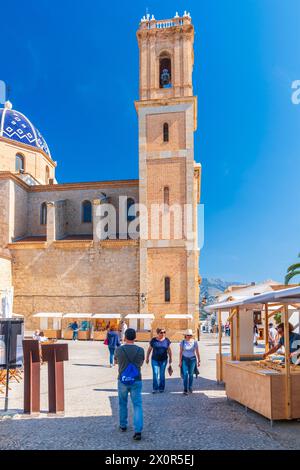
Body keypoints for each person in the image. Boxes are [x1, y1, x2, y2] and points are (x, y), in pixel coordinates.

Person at [114, 328, 145, 441]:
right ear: (135, 337)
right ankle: (138, 430)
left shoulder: (119, 350)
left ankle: (123, 425)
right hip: (136, 379)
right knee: (137, 405)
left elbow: (116, 362)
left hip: (122, 379)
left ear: (125, 337)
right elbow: (141, 363)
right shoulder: (140, 350)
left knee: (122, 403)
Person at [146, 328, 172, 393]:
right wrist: (147, 358)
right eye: (161, 332)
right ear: (158, 333)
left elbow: (169, 350)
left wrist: (171, 358)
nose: (163, 334)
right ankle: (155, 388)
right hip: (154, 360)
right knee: (155, 373)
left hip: (164, 360)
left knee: (162, 374)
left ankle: (161, 388)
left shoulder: (166, 340)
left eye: (164, 332)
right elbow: (149, 349)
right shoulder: (153, 340)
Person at [179, 329, 201, 395]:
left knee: (191, 374)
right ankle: (185, 388)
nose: (189, 336)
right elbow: (180, 352)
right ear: (185, 335)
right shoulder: (182, 342)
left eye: (190, 335)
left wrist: (199, 360)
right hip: (184, 359)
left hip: (192, 359)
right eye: (188, 335)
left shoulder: (195, 342)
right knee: (185, 374)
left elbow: (197, 352)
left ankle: (190, 387)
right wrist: (180, 361)